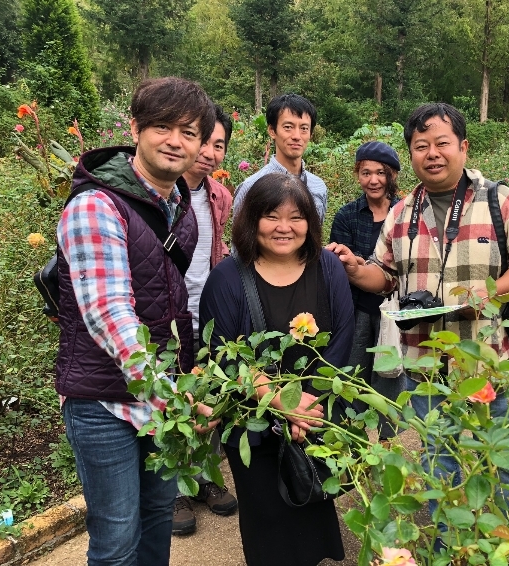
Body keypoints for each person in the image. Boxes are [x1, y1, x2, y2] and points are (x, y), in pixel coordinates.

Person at [326, 103, 509, 545]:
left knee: (498, 457)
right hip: (425, 364)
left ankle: (508, 545)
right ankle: (448, 545)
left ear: (463, 147)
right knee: (435, 457)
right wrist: (353, 268)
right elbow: (383, 275)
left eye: (442, 143)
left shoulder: (500, 200)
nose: (432, 153)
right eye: (420, 146)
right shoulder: (402, 211)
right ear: (410, 155)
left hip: (489, 361)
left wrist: (490, 292)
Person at [56, 77, 219, 565]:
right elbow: (111, 316)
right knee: (117, 538)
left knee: (157, 519)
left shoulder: (179, 206)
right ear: (135, 128)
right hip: (104, 402)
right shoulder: (96, 205)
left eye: (189, 132)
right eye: (162, 127)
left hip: (159, 396)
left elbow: (170, 301)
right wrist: (171, 393)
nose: (175, 141)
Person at [199, 173, 354, 566]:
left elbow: (340, 339)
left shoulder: (329, 269)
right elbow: (222, 355)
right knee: (268, 522)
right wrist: (281, 400)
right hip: (253, 422)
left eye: (296, 217)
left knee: (311, 505)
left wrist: (306, 406)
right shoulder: (227, 279)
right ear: (251, 221)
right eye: (271, 216)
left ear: (310, 223)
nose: (284, 227)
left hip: (313, 416)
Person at [172, 105, 238, 535]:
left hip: (207, 312)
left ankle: (206, 478)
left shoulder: (220, 196)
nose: (210, 152)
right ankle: (175, 489)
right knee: (174, 395)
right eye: (205, 141)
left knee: (210, 393)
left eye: (220, 144)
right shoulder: (162, 193)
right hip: (168, 315)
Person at [329, 141, 403, 440]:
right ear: (357, 175)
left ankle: (388, 445)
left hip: (394, 309)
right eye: (365, 172)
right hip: (358, 307)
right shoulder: (347, 216)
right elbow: (339, 265)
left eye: (380, 173)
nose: (373, 180)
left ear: (392, 176)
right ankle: (355, 444)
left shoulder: (405, 212)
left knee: (389, 378)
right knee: (352, 374)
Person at [232, 93, 327, 222]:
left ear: (311, 133)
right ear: (272, 130)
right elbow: (240, 240)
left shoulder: (318, 186)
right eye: (288, 127)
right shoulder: (251, 186)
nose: (297, 136)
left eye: (304, 128)